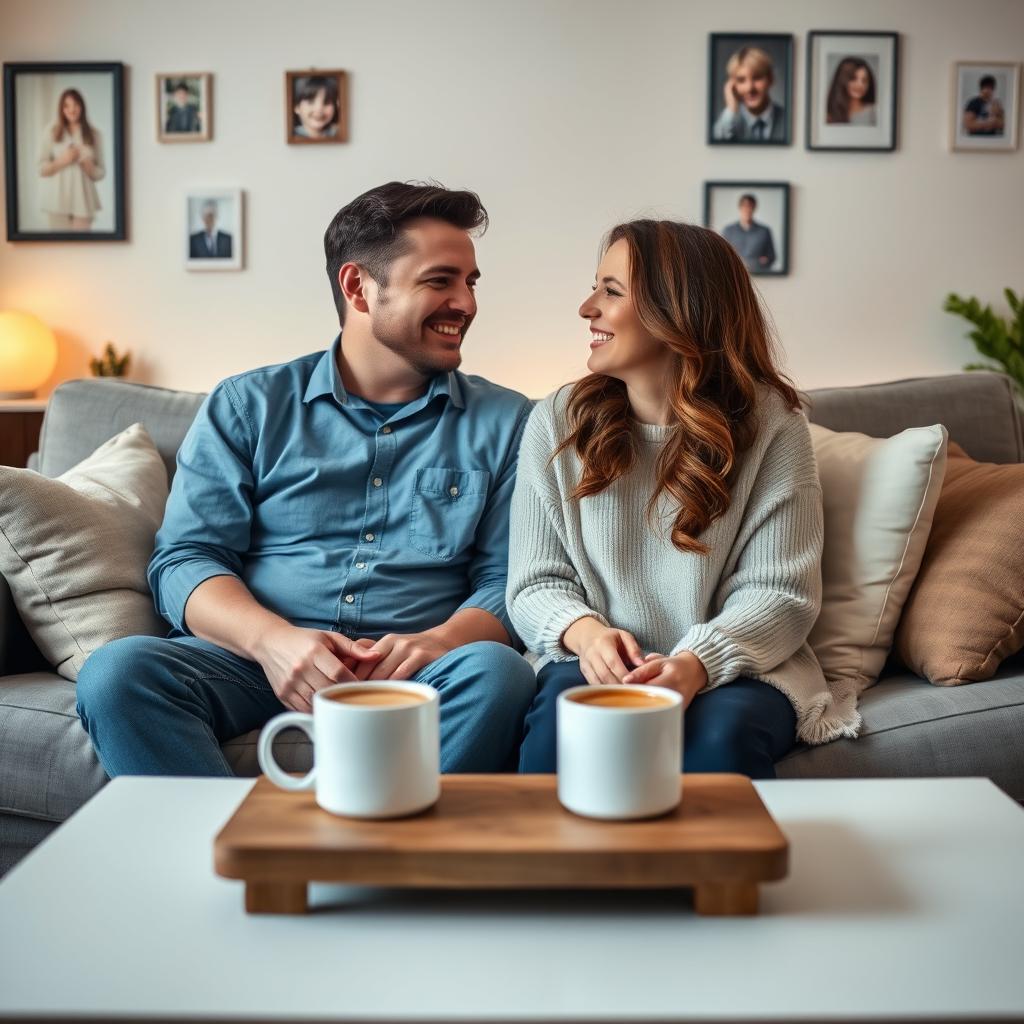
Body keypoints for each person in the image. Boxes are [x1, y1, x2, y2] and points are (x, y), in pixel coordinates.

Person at [76, 181, 536, 777]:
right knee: (118, 673)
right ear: (358, 287)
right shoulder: (248, 405)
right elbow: (187, 558)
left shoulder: (509, 421)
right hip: (254, 663)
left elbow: (507, 577)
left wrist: (442, 641)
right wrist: (273, 642)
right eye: (439, 280)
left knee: (498, 674)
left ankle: (387, 868)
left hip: (419, 671)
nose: (466, 303)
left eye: (470, 283)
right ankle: (219, 861)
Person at [510, 219, 859, 779]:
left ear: (677, 311)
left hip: (740, 668)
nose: (586, 307)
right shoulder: (556, 422)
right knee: (562, 727)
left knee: (720, 738)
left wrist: (697, 663)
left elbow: (781, 591)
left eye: (610, 291)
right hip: (595, 664)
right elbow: (534, 583)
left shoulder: (772, 427)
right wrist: (588, 635)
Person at [37, 87, 105, 231]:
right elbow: (41, 169)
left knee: (83, 251)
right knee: (57, 251)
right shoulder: (51, 131)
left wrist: (89, 166)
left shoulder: (94, 134)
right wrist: (62, 160)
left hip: (83, 203)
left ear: (82, 107)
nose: (72, 110)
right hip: (56, 203)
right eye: (67, 106)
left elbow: (101, 172)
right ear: (61, 109)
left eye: (76, 105)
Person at [712, 46, 786, 142]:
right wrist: (731, 108)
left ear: (770, 79)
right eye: (741, 80)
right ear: (732, 85)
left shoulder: (787, 119)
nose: (750, 88)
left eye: (757, 78)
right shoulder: (728, 121)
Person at [721, 194, 776, 272]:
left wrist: (763, 261)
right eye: (744, 206)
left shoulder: (764, 231)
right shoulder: (729, 230)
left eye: (750, 206)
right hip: (735, 273)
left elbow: (771, 257)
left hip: (759, 273)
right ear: (739, 207)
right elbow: (723, 256)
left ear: (754, 208)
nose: (747, 209)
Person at [826, 57, 877, 125]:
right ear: (842, 80)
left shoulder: (874, 113)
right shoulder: (827, 115)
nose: (860, 85)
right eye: (853, 78)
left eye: (864, 80)